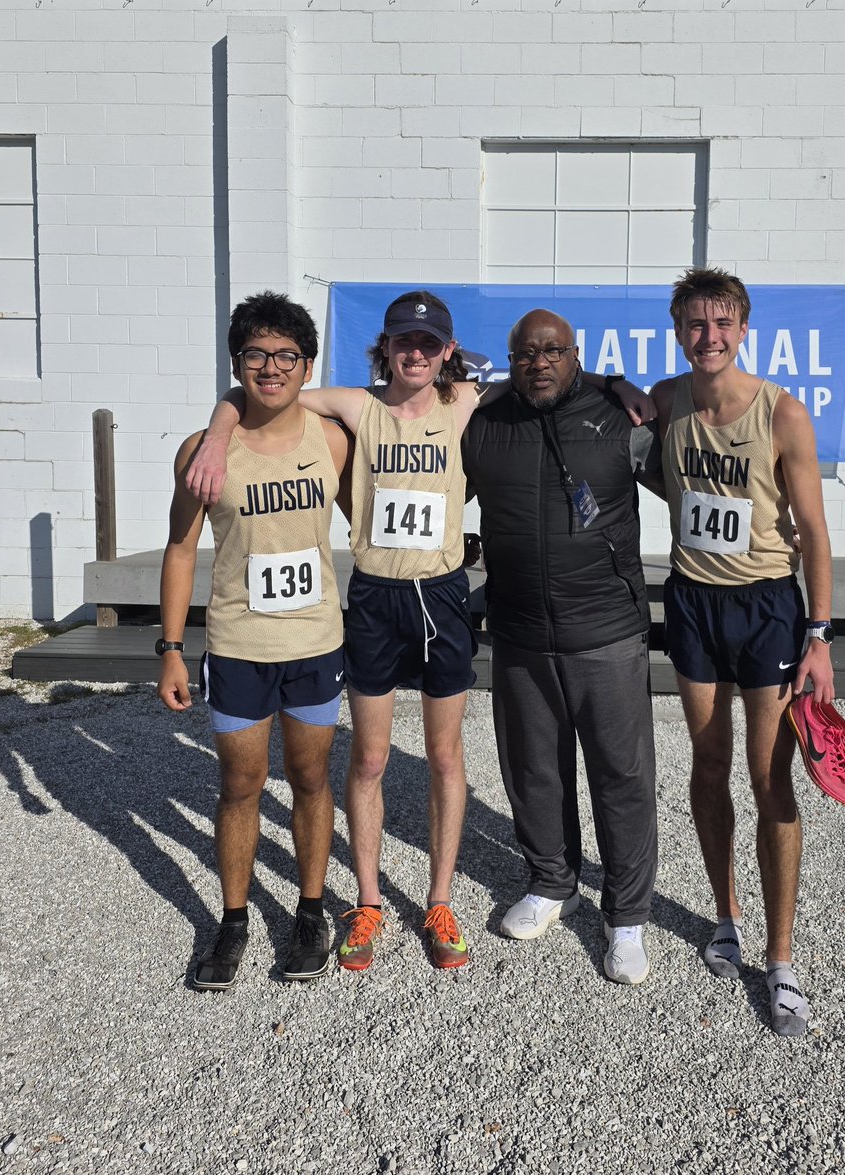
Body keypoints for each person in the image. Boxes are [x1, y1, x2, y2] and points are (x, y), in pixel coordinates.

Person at [186, 292, 651, 974]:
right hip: (376, 598)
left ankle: (439, 900)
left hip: (442, 596)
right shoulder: (356, 406)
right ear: (386, 346)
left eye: (429, 343)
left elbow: (546, 372)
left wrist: (615, 383)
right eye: (404, 340)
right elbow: (260, 392)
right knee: (370, 759)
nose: (415, 352)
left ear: (447, 352)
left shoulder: (464, 402)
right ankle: (369, 902)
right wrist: (218, 430)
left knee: (444, 757)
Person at [649, 267, 835, 1035]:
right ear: (678, 331)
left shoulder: (782, 413)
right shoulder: (665, 401)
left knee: (769, 778)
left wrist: (819, 635)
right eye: (696, 324)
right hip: (693, 601)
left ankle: (781, 957)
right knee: (707, 762)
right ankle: (724, 915)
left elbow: (814, 531)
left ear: (744, 330)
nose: (710, 336)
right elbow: (661, 475)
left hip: (766, 607)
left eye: (723, 323)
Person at [157, 290, 350, 991]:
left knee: (309, 778)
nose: (272, 367)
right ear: (236, 362)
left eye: (286, 355)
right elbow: (181, 549)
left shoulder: (332, 441)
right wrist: (171, 649)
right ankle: (234, 918)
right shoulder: (203, 452)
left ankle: (310, 911)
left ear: (308, 365)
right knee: (239, 784)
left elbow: (373, 519)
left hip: (315, 642)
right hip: (239, 644)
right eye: (256, 354)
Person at [462, 308, 659, 985]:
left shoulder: (621, 419)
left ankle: (626, 913)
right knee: (533, 767)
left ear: (576, 356)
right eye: (525, 353)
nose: (539, 363)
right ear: (511, 360)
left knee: (621, 775)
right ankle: (552, 882)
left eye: (553, 351)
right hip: (519, 629)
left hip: (607, 629)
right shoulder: (484, 423)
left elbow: (695, 480)